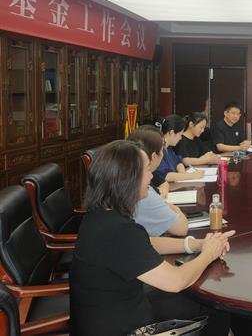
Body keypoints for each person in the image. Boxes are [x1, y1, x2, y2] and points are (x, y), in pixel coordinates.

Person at [70, 140, 234, 336]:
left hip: (113, 312)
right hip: (124, 328)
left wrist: (196, 245)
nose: (151, 176)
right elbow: (176, 281)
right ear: (128, 179)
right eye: (147, 170)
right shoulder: (119, 231)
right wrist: (208, 254)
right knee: (215, 308)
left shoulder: (101, 214)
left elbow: (145, 244)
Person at [128, 127, 188, 236]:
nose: (151, 176)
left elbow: (163, 183)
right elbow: (181, 229)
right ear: (154, 156)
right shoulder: (142, 191)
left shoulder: (129, 177)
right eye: (162, 151)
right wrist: (174, 208)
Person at [155, 115, 206, 182]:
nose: (180, 138)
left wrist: (182, 172)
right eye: (180, 135)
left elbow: (178, 162)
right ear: (171, 132)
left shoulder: (169, 148)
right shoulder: (158, 149)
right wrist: (192, 175)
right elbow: (165, 176)